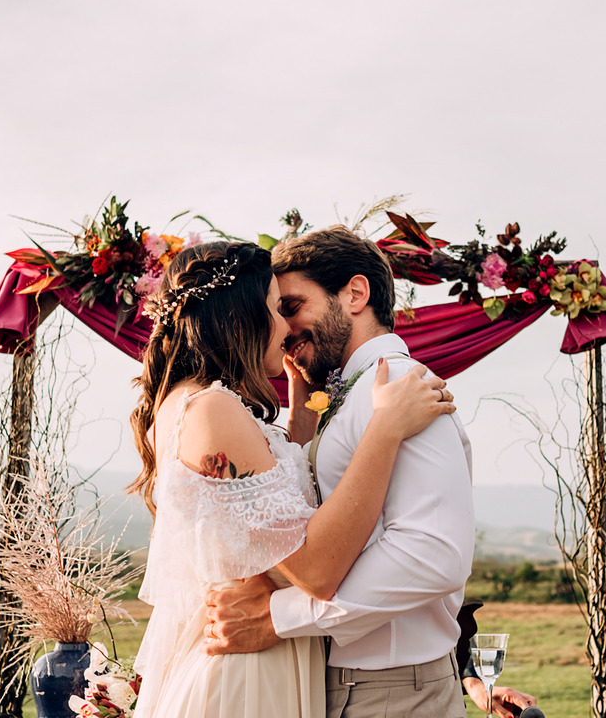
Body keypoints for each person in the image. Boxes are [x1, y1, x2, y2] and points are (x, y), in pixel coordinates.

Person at [128, 240, 457, 718]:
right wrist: (385, 429)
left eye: (292, 308)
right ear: (238, 316)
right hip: (246, 676)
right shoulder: (214, 409)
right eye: (275, 309)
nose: (285, 328)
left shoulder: (191, 402)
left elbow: (267, 519)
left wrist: (302, 418)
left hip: (265, 661)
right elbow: (315, 569)